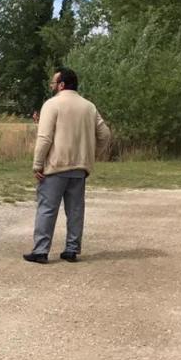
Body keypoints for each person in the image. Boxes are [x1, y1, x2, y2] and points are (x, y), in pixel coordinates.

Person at [24, 68, 111, 264]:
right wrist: (91, 154)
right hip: (80, 168)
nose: (52, 86)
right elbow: (105, 134)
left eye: (53, 83)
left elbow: (45, 138)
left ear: (61, 85)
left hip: (56, 166)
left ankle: (41, 251)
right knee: (75, 210)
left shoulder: (52, 104)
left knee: (47, 208)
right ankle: (71, 249)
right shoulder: (89, 107)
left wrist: (37, 165)